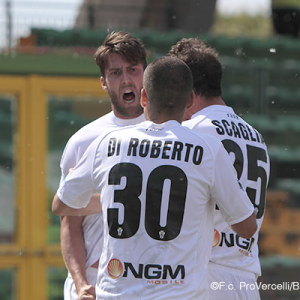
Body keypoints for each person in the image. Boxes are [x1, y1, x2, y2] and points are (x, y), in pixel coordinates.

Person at [52, 56, 257, 299]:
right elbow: (247, 227)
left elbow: (61, 205)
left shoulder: (106, 144)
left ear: (144, 97)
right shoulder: (209, 150)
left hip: (116, 293)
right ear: (190, 99)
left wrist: (110, 195)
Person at [168, 38, 270, 300]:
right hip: (246, 278)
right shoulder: (256, 136)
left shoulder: (189, 134)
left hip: (203, 276)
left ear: (185, 90)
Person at [59, 31, 147, 300]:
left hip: (149, 283)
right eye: (116, 73)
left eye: (132, 70)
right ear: (103, 82)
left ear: (146, 73)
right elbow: (69, 221)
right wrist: (81, 283)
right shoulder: (84, 141)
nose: (126, 80)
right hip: (94, 285)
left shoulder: (170, 135)